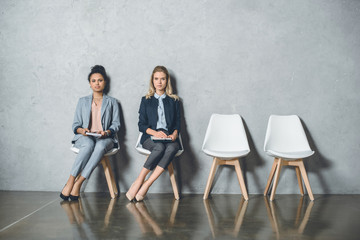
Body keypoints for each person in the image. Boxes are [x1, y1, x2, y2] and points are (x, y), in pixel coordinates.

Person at [60, 65, 120, 201]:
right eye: (94, 81)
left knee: (99, 146)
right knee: (88, 145)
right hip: (85, 136)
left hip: (105, 138)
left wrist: (107, 132)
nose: (97, 83)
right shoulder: (82, 101)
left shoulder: (112, 102)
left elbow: (116, 124)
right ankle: (70, 182)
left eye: (100, 80)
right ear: (90, 83)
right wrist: (83, 131)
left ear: (105, 82)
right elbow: (75, 125)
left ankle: (78, 183)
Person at [126, 66, 181, 201]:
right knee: (159, 148)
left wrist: (174, 134)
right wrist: (155, 133)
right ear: (152, 80)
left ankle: (147, 184)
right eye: (156, 79)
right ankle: (139, 181)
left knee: (173, 148)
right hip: (150, 137)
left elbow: (178, 123)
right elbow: (141, 125)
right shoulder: (146, 100)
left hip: (168, 137)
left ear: (167, 81)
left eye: (162, 79)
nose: (159, 82)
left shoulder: (174, 100)